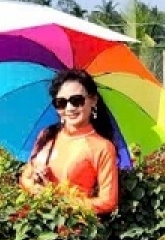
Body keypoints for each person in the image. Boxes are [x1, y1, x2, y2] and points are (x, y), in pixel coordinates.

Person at [19, 68, 119, 215]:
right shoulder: (47, 135)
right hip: (36, 224)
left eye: (77, 100)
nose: (70, 108)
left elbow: (107, 201)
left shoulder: (102, 147)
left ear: (93, 100)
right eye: (61, 103)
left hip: (73, 228)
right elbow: (25, 179)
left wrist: (59, 201)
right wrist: (35, 182)